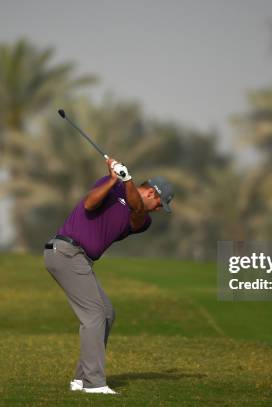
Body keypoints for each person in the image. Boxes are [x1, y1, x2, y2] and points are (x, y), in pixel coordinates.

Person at [43, 158, 174, 395]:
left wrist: (126, 180)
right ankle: (95, 383)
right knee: (94, 315)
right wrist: (115, 179)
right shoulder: (110, 185)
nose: (158, 210)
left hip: (79, 258)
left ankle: (82, 379)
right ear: (153, 193)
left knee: (107, 313)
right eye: (159, 204)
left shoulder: (143, 220)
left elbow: (135, 208)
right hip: (65, 252)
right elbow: (89, 204)